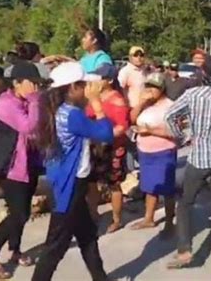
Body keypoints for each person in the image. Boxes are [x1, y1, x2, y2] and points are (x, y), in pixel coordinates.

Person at [32, 62, 114, 281]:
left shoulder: (59, 111)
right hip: (69, 187)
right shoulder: (72, 115)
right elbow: (106, 133)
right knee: (55, 247)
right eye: (84, 85)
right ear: (71, 88)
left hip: (67, 181)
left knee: (87, 236)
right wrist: (97, 104)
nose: (88, 88)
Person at [165, 55, 211, 268]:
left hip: (199, 156)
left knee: (186, 203)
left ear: (203, 73)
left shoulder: (193, 94)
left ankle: (185, 250)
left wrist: (185, 135)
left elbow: (170, 116)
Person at [0, 62, 43, 279]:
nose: (35, 88)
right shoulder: (5, 104)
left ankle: (15, 249)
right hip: (11, 168)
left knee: (23, 212)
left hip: (29, 165)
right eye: (31, 83)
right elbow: (28, 127)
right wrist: (35, 102)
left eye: (37, 84)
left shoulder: (25, 101)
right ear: (16, 83)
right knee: (19, 214)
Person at [130, 73, 177, 234]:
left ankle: (170, 222)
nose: (150, 90)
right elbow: (132, 119)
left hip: (163, 151)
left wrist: (150, 131)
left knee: (167, 188)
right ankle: (148, 219)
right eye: (147, 86)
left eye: (154, 87)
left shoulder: (171, 106)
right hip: (145, 151)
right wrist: (141, 103)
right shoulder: (146, 104)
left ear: (162, 89)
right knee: (150, 187)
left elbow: (177, 132)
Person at [85, 64, 130, 233]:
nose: (95, 80)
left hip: (112, 148)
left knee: (114, 184)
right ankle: (93, 213)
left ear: (109, 80)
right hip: (93, 146)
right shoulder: (93, 97)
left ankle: (116, 219)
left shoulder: (117, 100)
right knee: (91, 182)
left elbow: (121, 127)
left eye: (100, 77)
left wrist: (103, 135)